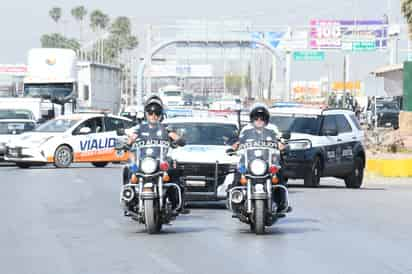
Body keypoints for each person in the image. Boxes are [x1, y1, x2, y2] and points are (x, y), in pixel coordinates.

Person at [126, 95, 189, 214]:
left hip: (160, 162)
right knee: (130, 171)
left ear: (161, 114)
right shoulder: (140, 128)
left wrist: (179, 139)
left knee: (175, 172)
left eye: (157, 112)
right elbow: (131, 139)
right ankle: (129, 200)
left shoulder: (166, 129)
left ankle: (178, 203)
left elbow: (176, 138)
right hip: (144, 162)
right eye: (150, 112)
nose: (153, 115)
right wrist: (126, 144)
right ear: (146, 113)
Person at [227, 103, 289, 214]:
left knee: (279, 177)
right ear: (252, 119)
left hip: (268, 163)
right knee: (237, 176)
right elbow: (237, 142)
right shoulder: (246, 131)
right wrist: (234, 146)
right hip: (248, 163)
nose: (259, 120)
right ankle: (234, 200)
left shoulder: (272, 130)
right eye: (256, 118)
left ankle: (281, 202)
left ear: (266, 119)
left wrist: (282, 146)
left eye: (262, 118)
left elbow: (280, 141)